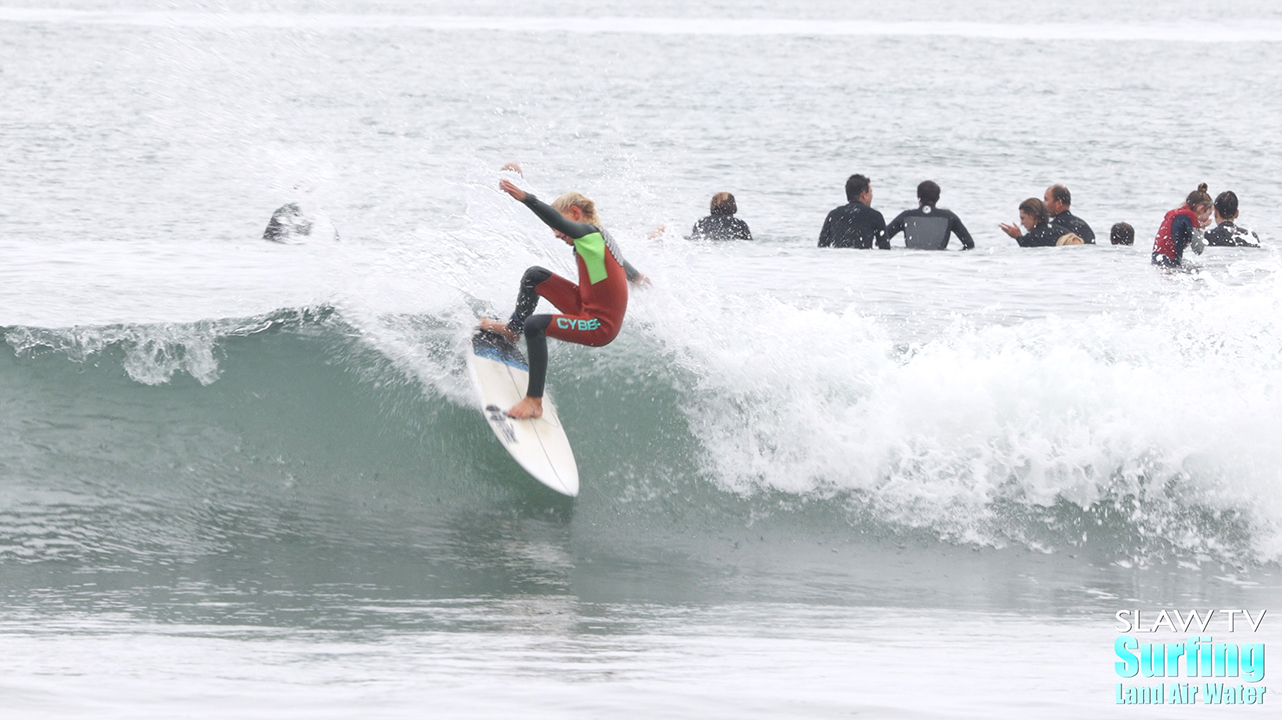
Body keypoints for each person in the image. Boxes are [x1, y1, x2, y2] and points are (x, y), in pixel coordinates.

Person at [480, 179, 646, 419]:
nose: (557, 235)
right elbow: (623, 265)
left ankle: (533, 402)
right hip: (584, 304)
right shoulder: (598, 240)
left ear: (575, 214)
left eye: (558, 228)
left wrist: (528, 199)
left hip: (599, 325)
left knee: (535, 326)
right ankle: (512, 331)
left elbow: (558, 222)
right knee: (534, 277)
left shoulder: (590, 235)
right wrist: (639, 278)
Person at [884, 180, 974, 250]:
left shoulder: (906, 216)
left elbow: (882, 239)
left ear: (918, 197)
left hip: (911, 261)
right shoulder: (949, 217)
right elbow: (969, 244)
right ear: (938, 198)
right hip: (940, 262)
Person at [818, 174, 889, 249]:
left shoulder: (833, 215)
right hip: (865, 259)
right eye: (870, 192)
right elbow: (885, 249)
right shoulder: (875, 216)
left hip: (838, 258)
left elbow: (822, 247)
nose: (872, 195)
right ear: (864, 194)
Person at [1151, 183, 1214, 267]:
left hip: (1157, 260)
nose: (1208, 218)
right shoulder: (1189, 216)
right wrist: (1202, 228)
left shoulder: (1176, 214)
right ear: (1201, 209)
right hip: (1169, 264)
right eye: (1209, 214)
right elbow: (1198, 249)